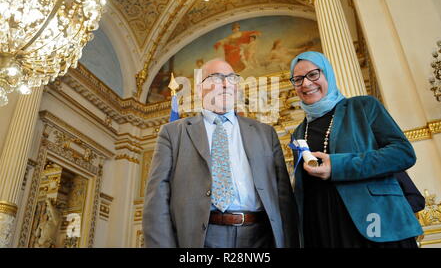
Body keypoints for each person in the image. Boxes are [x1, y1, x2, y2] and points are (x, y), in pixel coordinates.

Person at [143, 58, 299, 248]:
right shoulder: (173, 133)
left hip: (260, 237)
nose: (226, 84)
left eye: (232, 78)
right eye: (216, 78)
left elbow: (284, 199)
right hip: (202, 238)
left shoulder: (266, 134)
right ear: (200, 89)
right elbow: (157, 200)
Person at [289, 51, 423, 248]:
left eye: (313, 74)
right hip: (323, 228)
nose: (306, 84)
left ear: (328, 74)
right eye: (298, 79)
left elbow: (403, 153)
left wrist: (337, 166)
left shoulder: (363, 106)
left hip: (377, 224)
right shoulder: (299, 132)